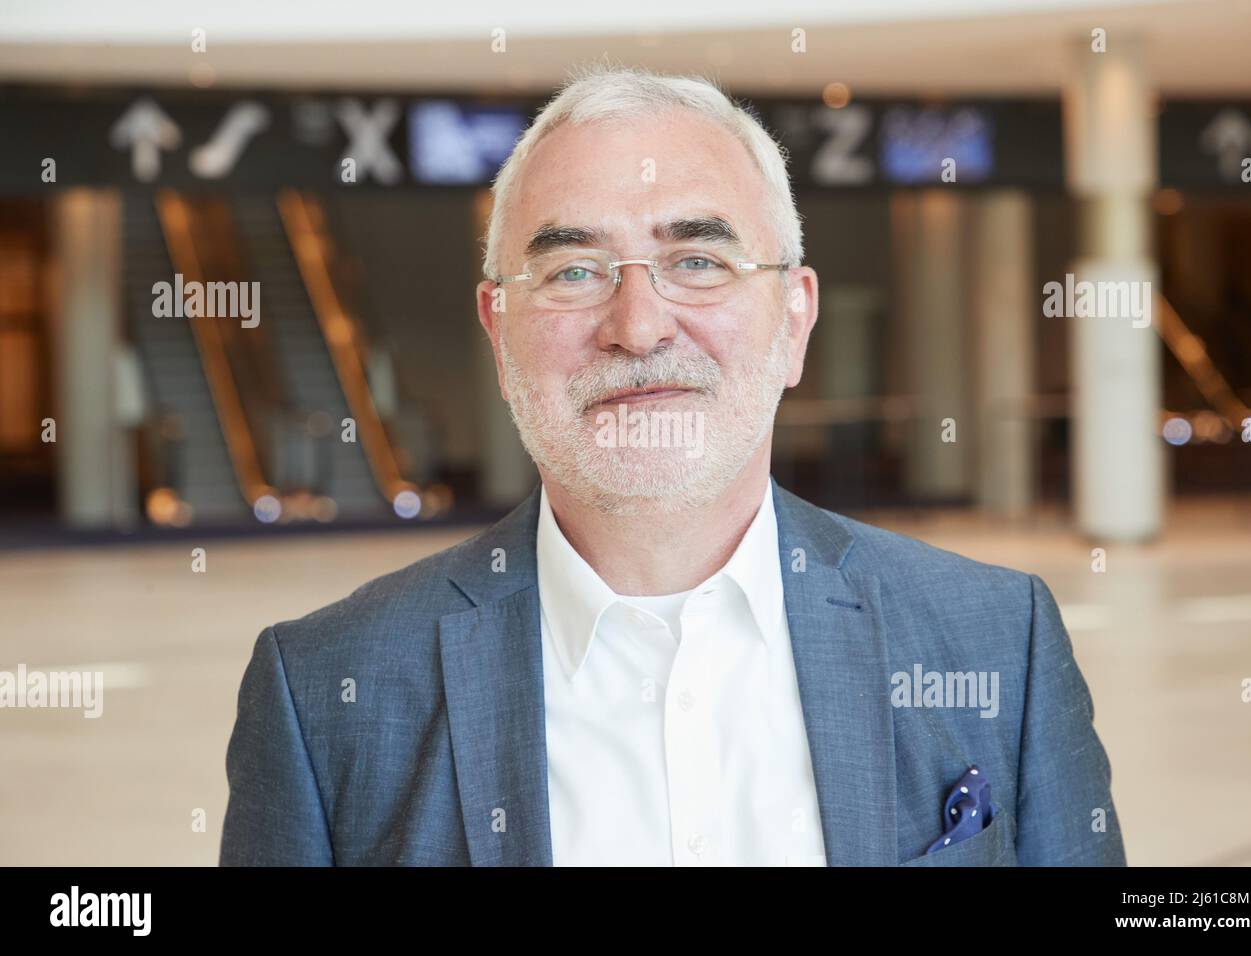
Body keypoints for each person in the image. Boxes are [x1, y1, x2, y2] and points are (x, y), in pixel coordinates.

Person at [220, 63, 1124, 866]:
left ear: (795, 318)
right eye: (574, 271)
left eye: (697, 259)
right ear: (499, 333)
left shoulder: (999, 640)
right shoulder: (324, 693)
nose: (640, 325)